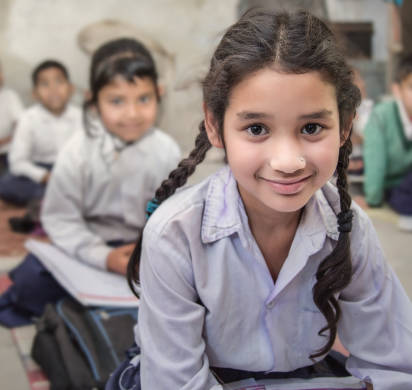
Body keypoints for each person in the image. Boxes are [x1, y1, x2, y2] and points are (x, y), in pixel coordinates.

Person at [107, 9, 412, 390]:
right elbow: (177, 382)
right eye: (256, 128)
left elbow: (395, 365)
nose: (287, 162)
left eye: (312, 127)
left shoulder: (350, 229)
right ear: (215, 126)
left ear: (345, 125)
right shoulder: (175, 234)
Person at [0, 38, 180, 327]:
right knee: (31, 281)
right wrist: (105, 257)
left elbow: (173, 219)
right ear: (93, 101)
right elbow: (61, 220)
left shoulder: (167, 151)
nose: (132, 114)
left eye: (144, 99)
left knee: (202, 282)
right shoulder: (77, 151)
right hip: (89, 246)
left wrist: (147, 254)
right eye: (116, 101)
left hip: (143, 250)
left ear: (159, 94)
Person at [0, 60, 81, 206]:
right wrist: (45, 176)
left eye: (59, 82)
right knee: (7, 186)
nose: (53, 89)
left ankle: (55, 200)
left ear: (71, 88)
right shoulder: (28, 119)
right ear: (35, 94)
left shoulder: (81, 117)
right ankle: (66, 199)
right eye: (45, 84)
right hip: (42, 171)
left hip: (73, 171)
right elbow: (18, 162)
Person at [361, 55, 412, 231]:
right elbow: (376, 161)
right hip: (393, 188)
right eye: (411, 88)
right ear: (397, 90)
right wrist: (373, 199)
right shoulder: (381, 116)